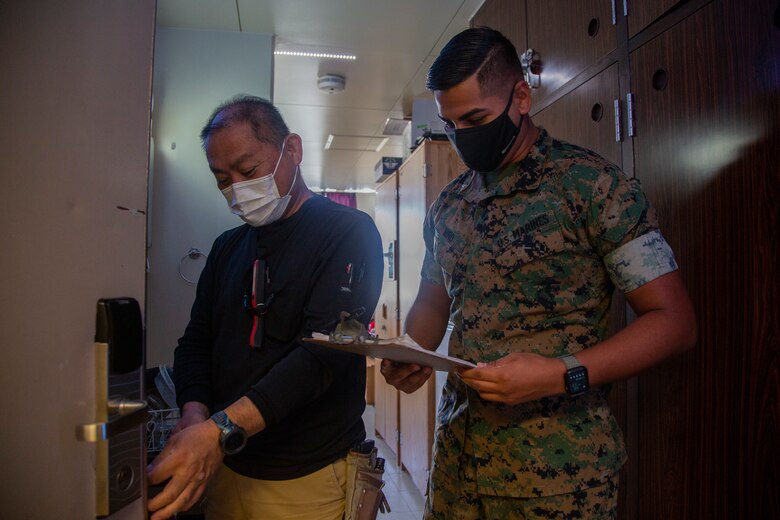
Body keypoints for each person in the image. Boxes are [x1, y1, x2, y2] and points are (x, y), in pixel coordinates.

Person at [380, 28, 697, 519]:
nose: (462, 136)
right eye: (450, 124)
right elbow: (433, 299)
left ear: (521, 97)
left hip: (558, 477)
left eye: (475, 119)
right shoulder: (449, 204)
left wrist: (559, 374)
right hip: (458, 464)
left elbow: (673, 322)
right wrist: (410, 352)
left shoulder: (592, 187)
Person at [147, 95, 383, 520]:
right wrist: (195, 415)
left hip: (306, 478)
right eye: (222, 179)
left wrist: (220, 429)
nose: (237, 188)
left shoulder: (348, 232)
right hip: (224, 465)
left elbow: (323, 356)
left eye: (248, 170)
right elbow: (196, 342)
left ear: (292, 150)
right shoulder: (227, 247)